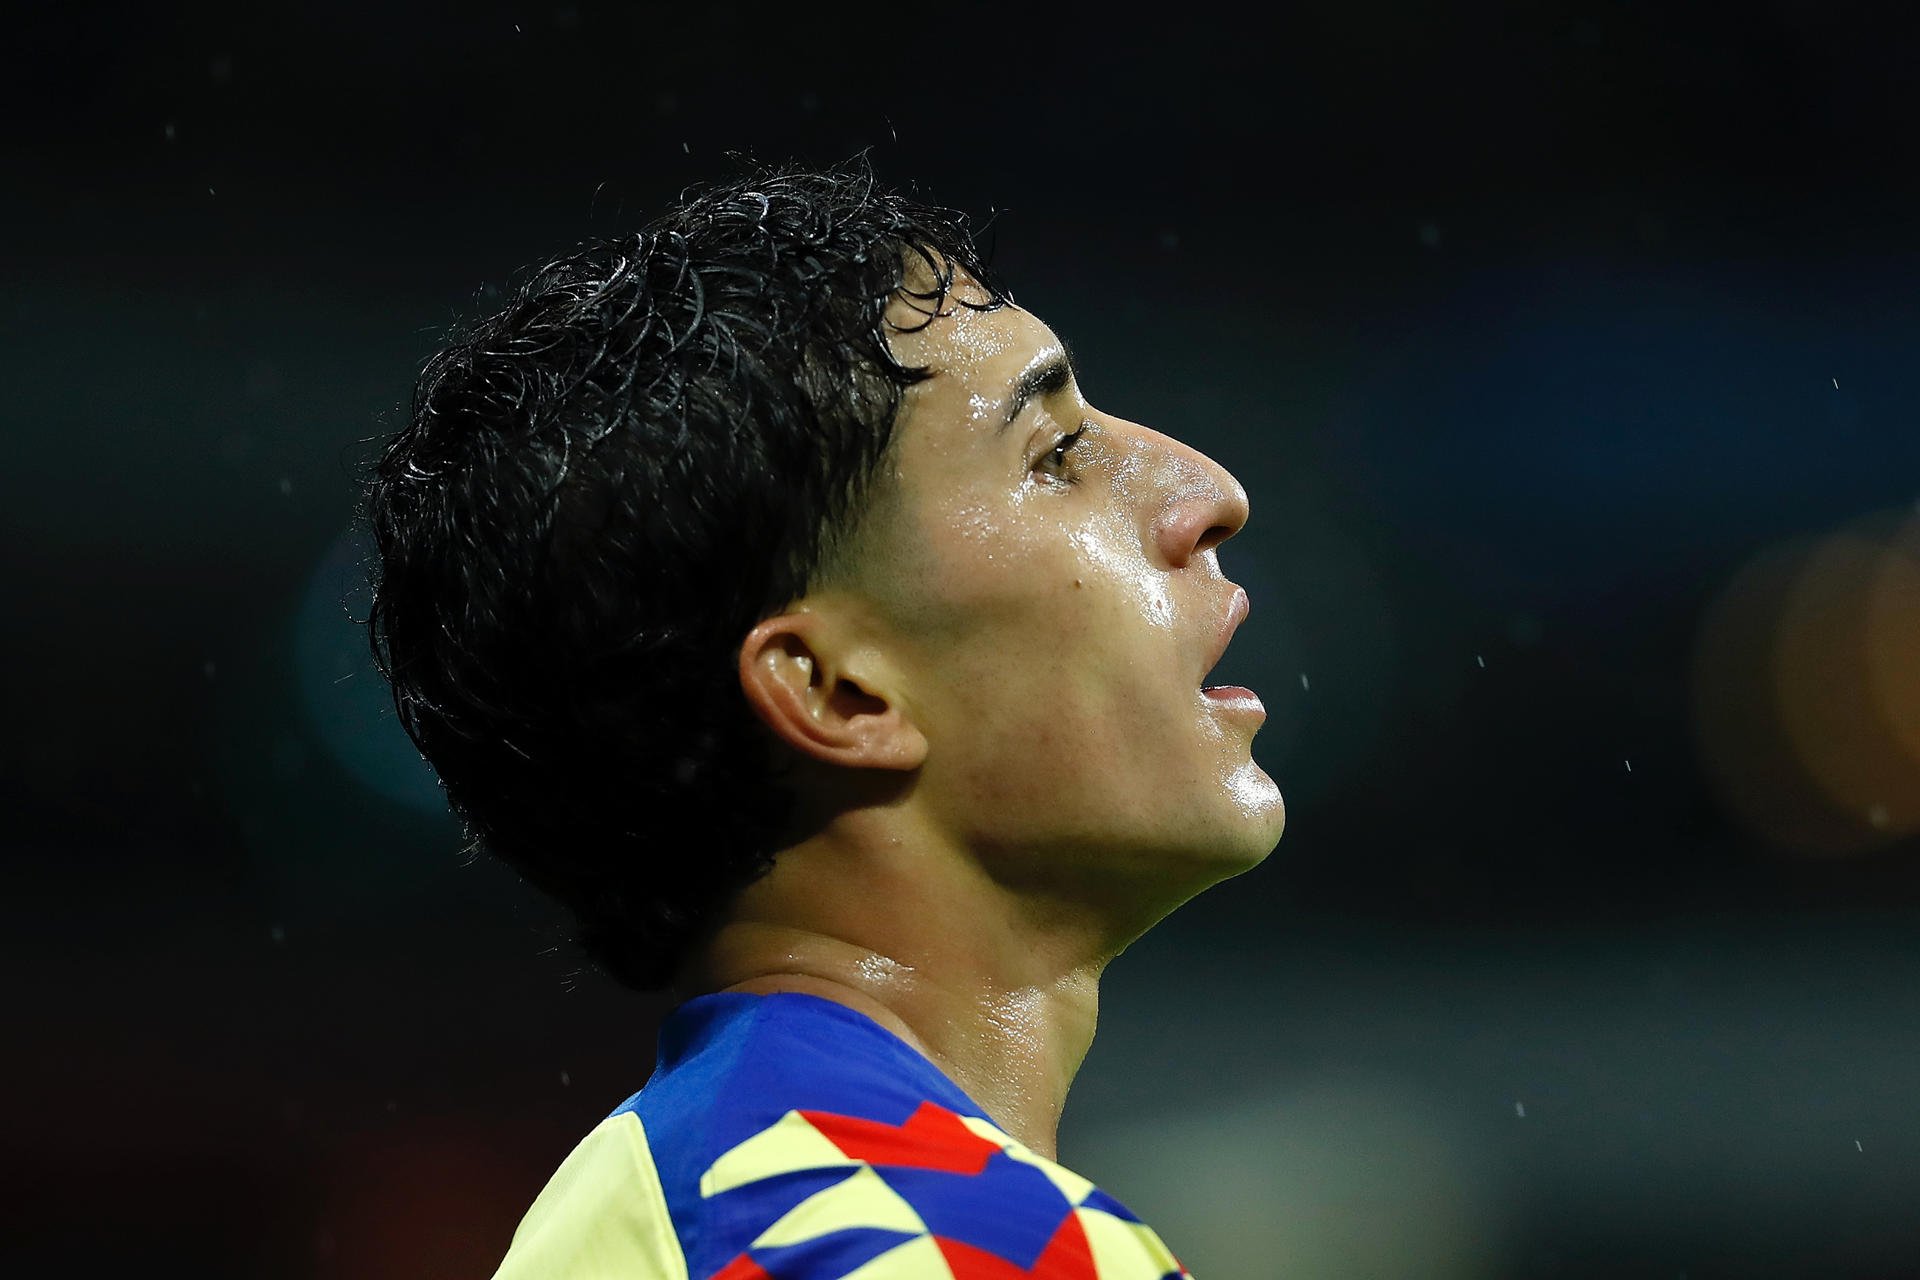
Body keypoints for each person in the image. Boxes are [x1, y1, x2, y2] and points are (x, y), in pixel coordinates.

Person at [360, 158, 1284, 1279]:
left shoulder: (707, 1192)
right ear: (834, 689)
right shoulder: (892, 1233)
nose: (1209, 491)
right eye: (1055, 456)